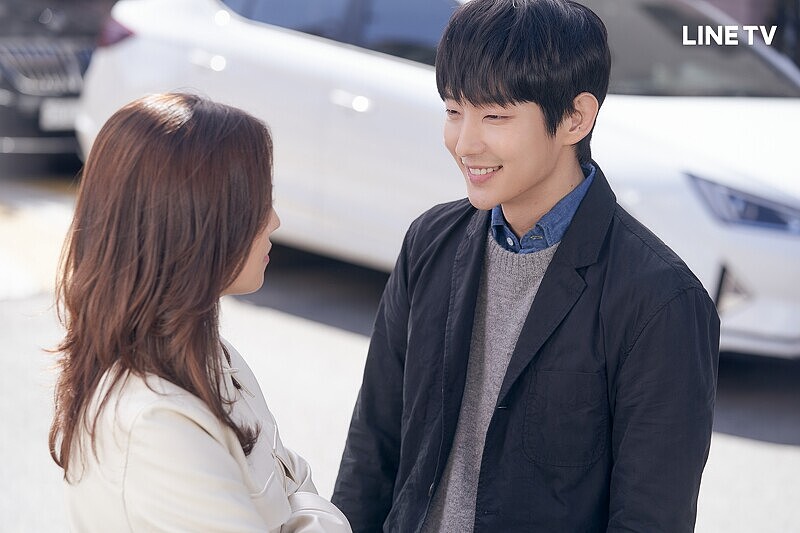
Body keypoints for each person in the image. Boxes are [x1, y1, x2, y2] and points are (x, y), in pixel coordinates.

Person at [332, 1, 720, 531]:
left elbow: (650, 518)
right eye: (453, 110)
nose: (465, 143)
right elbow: (371, 450)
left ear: (576, 118)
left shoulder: (660, 301)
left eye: (494, 116)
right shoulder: (430, 242)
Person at [49, 93, 351, 532]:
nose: (274, 221)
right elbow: (295, 490)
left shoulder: (211, 356)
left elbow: (294, 480)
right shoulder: (152, 426)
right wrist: (312, 514)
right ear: (198, 223)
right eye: (259, 201)